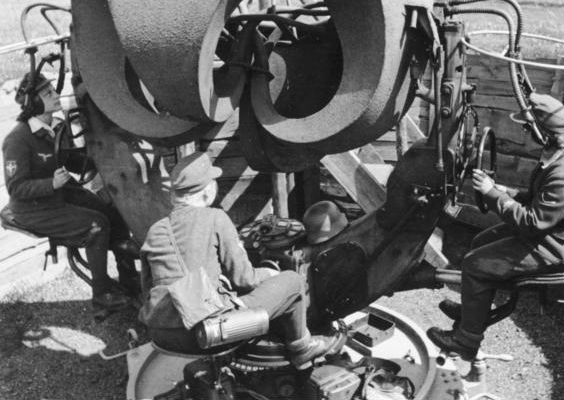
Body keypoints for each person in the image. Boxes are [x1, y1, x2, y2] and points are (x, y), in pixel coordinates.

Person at [427, 93, 564, 359]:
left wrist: (492, 194)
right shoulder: (560, 156)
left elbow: (532, 222)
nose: (524, 132)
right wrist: (501, 189)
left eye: (528, 128)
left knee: (475, 263)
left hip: (559, 248)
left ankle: (466, 340)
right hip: (551, 234)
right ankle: (473, 313)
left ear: (544, 134)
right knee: (480, 243)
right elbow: (537, 201)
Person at [139, 151, 342, 368]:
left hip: (161, 333)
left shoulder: (155, 230)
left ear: (173, 196)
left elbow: (147, 287)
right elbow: (245, 279)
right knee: (293, 282)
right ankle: (302, 347)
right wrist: (271, 272)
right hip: (205, 334)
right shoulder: (215, 217)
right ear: (208, 191)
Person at [1, 72, 138, 309]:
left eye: (54, 90)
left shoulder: (58, 126)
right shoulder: (18, 139)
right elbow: (16, 188)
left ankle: (129, 279)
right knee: (96, 225)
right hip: (34, 209)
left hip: (62, 194)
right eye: (48, 93)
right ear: (34, 103)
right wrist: (50, 184)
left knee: (114, 214)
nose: (56, 95)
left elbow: (72, 162)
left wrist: (98, 156)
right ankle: (102, 293)